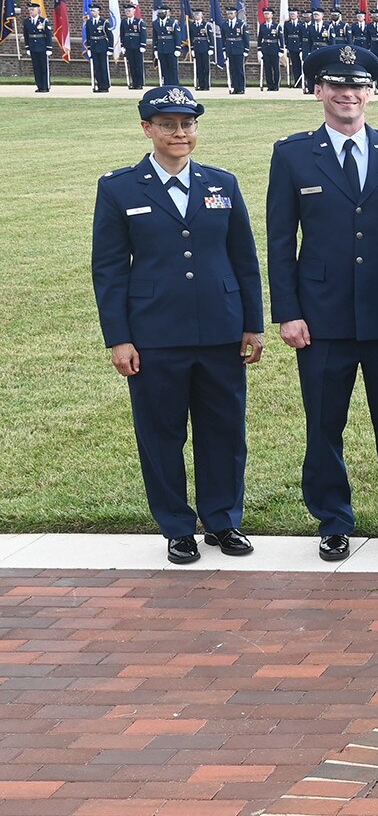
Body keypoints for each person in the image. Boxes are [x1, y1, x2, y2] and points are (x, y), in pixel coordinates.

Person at [267, 44, 378, 562]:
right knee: (324, 424)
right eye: (336, 84)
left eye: (358, 85)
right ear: (318, 90)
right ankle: (333, 519)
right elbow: (278, 240)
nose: (348, 94)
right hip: (321, 315)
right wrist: (288, 311)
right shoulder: (292, 153)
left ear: (371, 92)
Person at [91, 86, 264, 564]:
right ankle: (176, 526)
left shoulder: (222, 184)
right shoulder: (120, 187)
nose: (180, 133)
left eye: (187, 123)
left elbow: (243, 259)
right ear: (147, 128)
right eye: (168, 124)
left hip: (220, 330)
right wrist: (120, 338)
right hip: (155, 333)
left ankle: (223, 520)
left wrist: (253, 323)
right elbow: (107, 269)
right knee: (161, 432)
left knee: (224, 430)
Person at [84, 5, 114, 93]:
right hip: (94, 47)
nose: (92, 12)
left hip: (103, 46)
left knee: (103, 67)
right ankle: (99, 85)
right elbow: (88, 36)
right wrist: (88, 48)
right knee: (96, 67)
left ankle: (105, 86)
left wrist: (110, 48)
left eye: (93, 11)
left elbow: (110, 36)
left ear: (98, 11)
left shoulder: (104, 22)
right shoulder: (89, 22)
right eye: (91, 11)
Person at [123, 3, 150, 90]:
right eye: (126, 11)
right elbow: (122, 34)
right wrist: (122, 45)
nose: (127, 12)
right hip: (129, 46)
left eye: (129, 11)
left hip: (137, 46)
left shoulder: (139, 22)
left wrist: (143, 45)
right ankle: (134, 83)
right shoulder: (123, 22)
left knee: (139, 65)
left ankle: (140, 83)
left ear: (134, 11)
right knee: (132, 65)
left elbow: (143, 34)